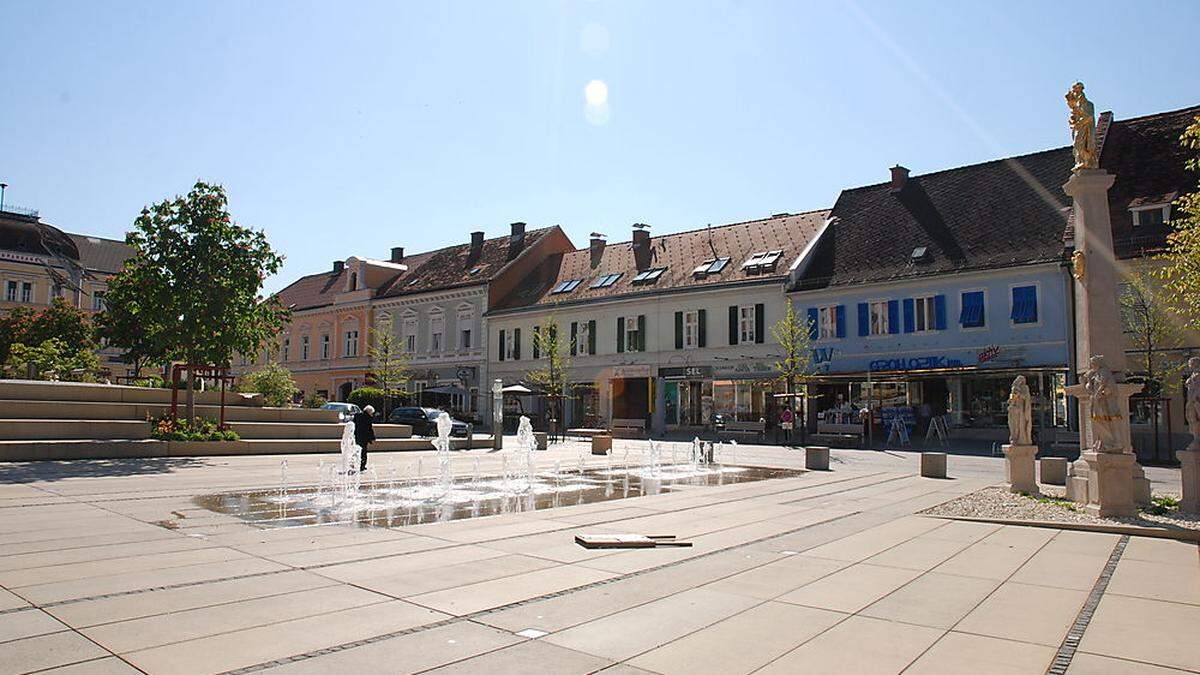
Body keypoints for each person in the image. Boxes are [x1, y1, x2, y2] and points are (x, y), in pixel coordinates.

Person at [353, 405, 376, 470]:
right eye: (372, 413)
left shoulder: (357, 415)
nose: (372, 414)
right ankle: (362, 466)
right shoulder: (368, 417)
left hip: (357, 436)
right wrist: (372, 437)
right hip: (364, 437)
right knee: (363, 452)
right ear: (369, 412)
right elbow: (369, 428)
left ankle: (354, 464)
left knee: (356, 451)